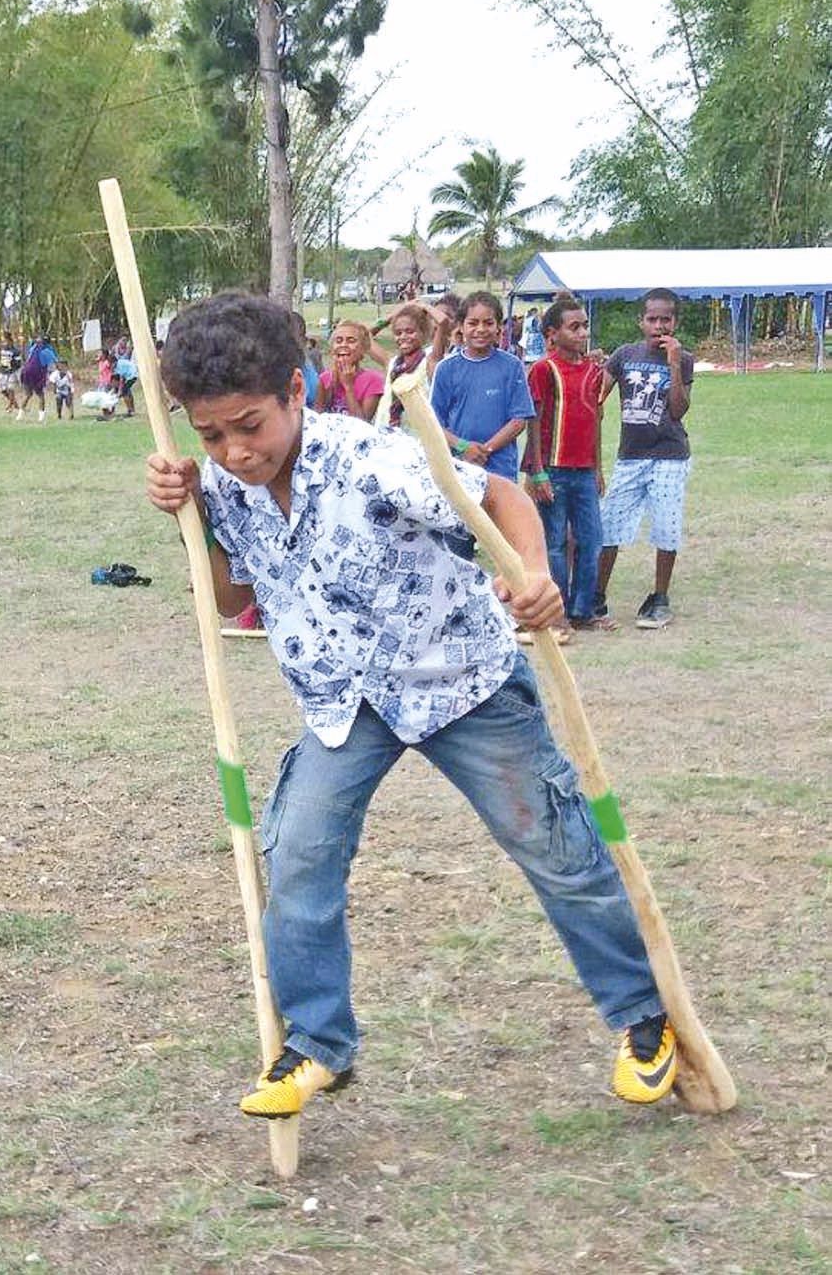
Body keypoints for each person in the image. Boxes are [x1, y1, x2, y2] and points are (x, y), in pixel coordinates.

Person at [143, 291, 678, 1122]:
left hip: (459, 677)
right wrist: (194, 515)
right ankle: (317, 1043)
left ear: (295, 389)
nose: (234, 450)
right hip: (342, 699)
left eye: (249, 425)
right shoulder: (226, 486)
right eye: (211, 434)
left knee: (554, 846)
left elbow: (499, 497)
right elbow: (225, 599)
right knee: (299, 858)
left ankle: (646, 1016)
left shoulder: (372, 459)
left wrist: (532, 575)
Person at [594, 289, 696, 630]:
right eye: (652, 318)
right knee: (609, 525)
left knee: (666, 527)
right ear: (641, 321)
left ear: (675, 322)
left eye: (665, 319)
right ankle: (596, 594)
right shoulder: (624, 355)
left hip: (669, 455)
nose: (658, 325)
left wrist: (673, 365)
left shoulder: (683, 358)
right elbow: (596, 398)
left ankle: (659, 596)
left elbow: (679, 410)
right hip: (630, 456)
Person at [520, 296, 612, 639]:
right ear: (552, 334)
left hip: (585, 470)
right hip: (554, 470)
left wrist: (599, 467)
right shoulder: (545, 370)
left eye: (585, 325)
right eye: (574, 327)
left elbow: (596, 420)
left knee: (592, 540)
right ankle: (557, 613)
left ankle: (583, 610)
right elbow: (536, 421)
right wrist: (537, 469)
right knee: (555, 542)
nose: (582, 333)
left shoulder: (593, 370)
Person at [428, 292, 535, 481]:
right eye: (473, 323)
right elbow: (434, 423)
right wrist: (463, 447)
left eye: (488, 323)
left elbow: (519, 420)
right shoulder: (446, 368)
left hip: (501, 469)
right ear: (461, 327)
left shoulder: (511, 366)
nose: (481, 329)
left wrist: (485, 450)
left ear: (499, 327)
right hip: (459, 468)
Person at [369, 302, 433, 429]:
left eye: (410, 331)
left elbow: (445, 325)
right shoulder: (392, 364)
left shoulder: (429, 362)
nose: (403, 337)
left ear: (423, 333)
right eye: (398, 333)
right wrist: (393, 315)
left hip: (416, 435)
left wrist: (426, 308)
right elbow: (365, 336)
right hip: (387, 433)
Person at [313, 321, 385, 421]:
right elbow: (317, 417)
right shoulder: (325, 378)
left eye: (351, 341)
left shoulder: (374, 380)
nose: (343, 345)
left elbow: (362, 424)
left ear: (363, 349)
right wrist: (333, 380)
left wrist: (348, 387)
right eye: (338, 341)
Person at [19, 334, 55, 423]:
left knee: (28, 394)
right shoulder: (48, 351)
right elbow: (54, 363)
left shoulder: (33, 348)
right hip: (37, 374)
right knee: (41, 395)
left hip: (26, 371)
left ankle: (19, 415)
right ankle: (41, 417)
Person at [0, 329, 22, 415]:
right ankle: (15, 405)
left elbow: (18, 363)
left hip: (11, 372)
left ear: (9, 340)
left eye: (4, 340)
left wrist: (12, 367)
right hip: (2, 372)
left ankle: (10, 405)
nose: (3, 342)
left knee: (10, 389)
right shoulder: (3, 349)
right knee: (3, 390)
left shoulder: (15, 351)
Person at [114, 341, 139, 418]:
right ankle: (132, 409)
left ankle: (130, 410)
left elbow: (122, 379)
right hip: (133, 375)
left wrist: (120, 391)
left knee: (124, 393)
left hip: (132, 376)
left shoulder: (118, 365)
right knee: (128, 392)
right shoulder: (120, 362)